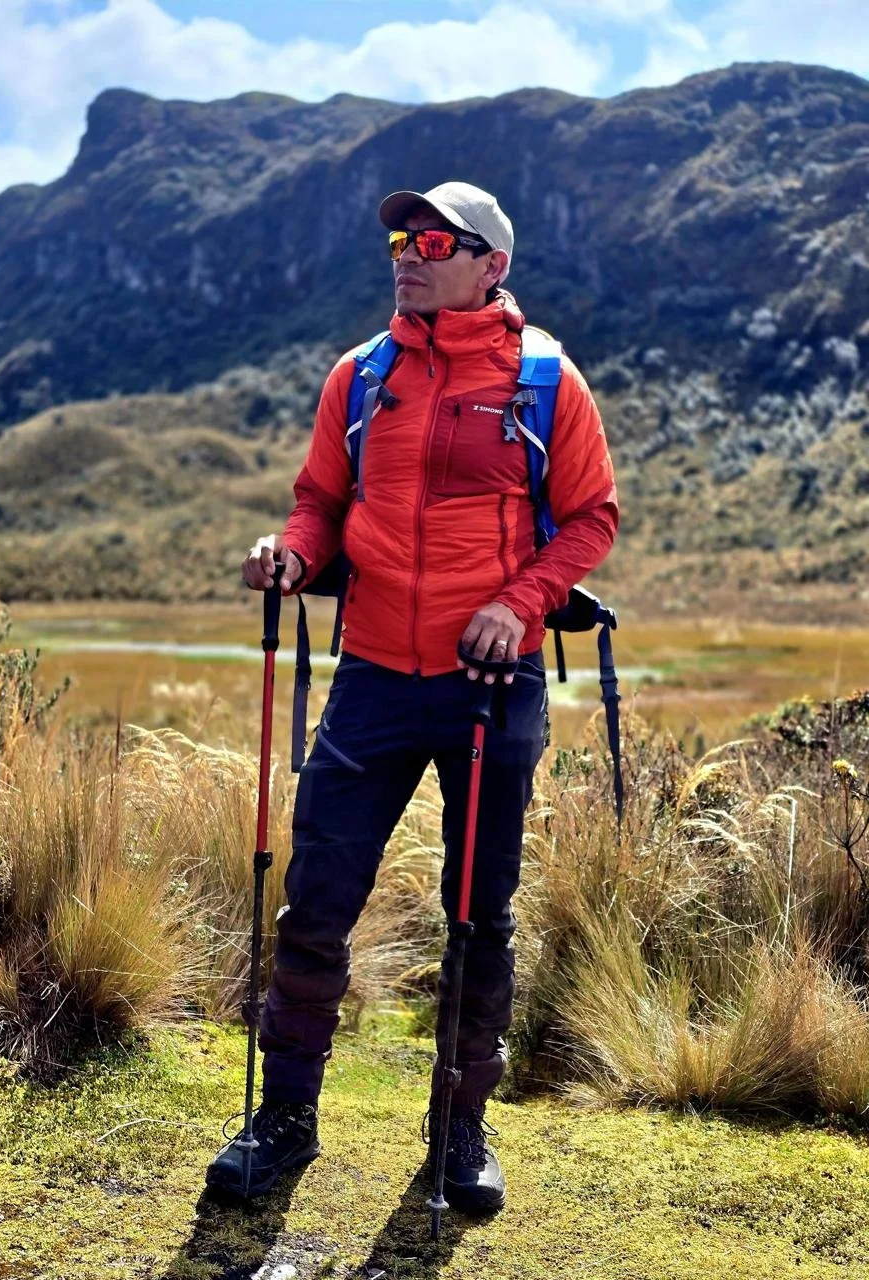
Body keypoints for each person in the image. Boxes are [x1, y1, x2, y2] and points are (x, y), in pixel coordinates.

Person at [206, 181, 618, 1212]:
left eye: (434, 238)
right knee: (316, 905)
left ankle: (459, 1132)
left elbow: (590, 519)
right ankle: (284, 1118)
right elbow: (320, 503)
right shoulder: (360, 375)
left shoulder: (545, 380)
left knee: (479, 915)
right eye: (400, 235)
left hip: (492, 682)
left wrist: (520, 603)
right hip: (374, 676)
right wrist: (292, 554)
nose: (408, 251)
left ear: (492, 265)